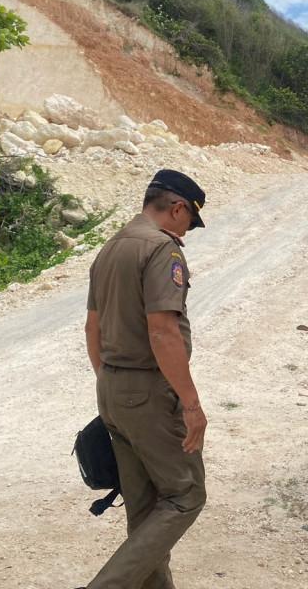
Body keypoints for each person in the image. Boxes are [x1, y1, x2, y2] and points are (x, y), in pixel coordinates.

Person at [81, 169, 208, 589]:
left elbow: (93, 328)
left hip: (112, 388)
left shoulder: (111, 247)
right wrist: (191, 405)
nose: (186, 231)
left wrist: (112, 382)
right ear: (178, 209)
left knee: (145, 504)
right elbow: (163, 332)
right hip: (148, 392)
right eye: (189, 221)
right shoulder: (160, 249)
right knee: (186, 494)